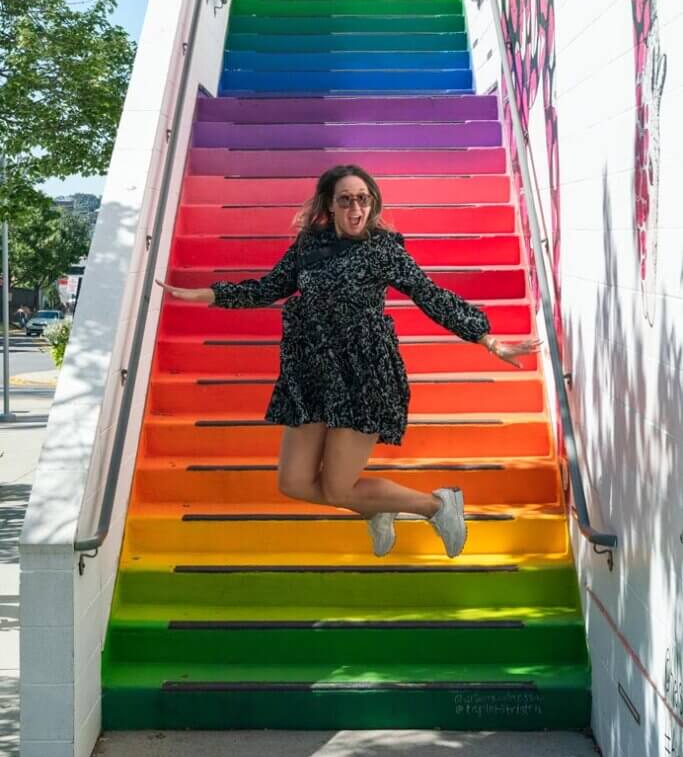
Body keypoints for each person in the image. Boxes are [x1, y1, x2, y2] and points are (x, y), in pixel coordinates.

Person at [156, 164, 541, 558]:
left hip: (364, 375)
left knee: (338, 489)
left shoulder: (383, 249)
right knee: (293, 482)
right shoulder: (309, 246)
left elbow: (430, 296)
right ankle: (379, 506)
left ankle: (437, 506)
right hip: (311, 373)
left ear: (371, 203)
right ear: (330, 204)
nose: (356, 208)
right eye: (346, 199)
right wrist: (205, 295)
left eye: (363, 199)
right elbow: (268, 288)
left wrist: (488, 340)